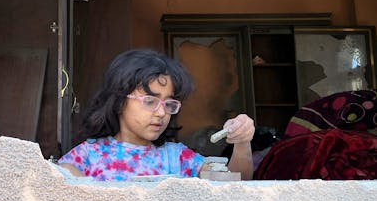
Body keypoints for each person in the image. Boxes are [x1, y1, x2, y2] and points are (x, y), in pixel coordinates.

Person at [58, 49, 254, 180]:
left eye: (169, 103)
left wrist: (242, 143)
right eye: (150, 101)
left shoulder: (177, 158)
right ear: (118, 101)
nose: (161, 113)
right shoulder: (87, 156)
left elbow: (235, 183)